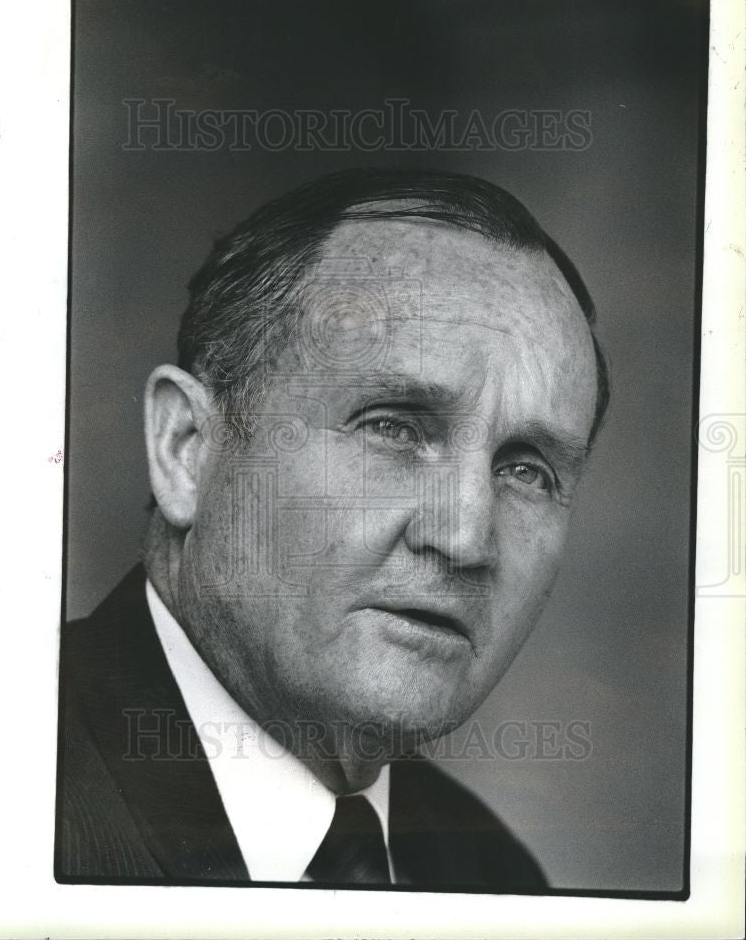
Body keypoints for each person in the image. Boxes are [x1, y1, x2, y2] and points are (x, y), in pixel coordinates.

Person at [56, 168, 609, 890]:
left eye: (525, 470)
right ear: (186, 448)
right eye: (392, 427)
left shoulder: (491, 874)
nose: (466, 538)